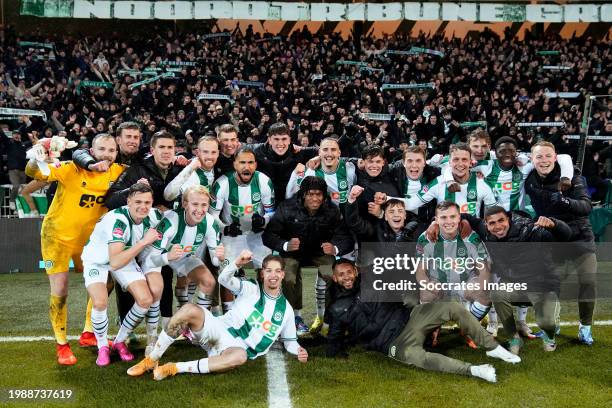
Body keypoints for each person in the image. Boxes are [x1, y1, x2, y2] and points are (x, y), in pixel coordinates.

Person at [326, 259, 520, 383]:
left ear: (356, 272)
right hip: (392, 343)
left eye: (349, 272)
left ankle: (493, 348)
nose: (346, 277)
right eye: (341, 275)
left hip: (411, 319)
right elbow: (334, 337)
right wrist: (335, 354)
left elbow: (401, 278)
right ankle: (475, 371)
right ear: (335, 278)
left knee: (451, 305)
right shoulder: (336, 308)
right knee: (420, 359)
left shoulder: (373, 280)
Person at [127, 250, 308, 380]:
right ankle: (151, 360)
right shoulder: (251, 287)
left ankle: (173, 368)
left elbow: (290, 341)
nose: (273, 275)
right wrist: (236, 263)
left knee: (240, 357)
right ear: (262, 274)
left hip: (235, 348)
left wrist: (299, 350)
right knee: (189, 309)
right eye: (269, 271)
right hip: (218, 329)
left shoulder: (286, 311)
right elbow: (223, 280)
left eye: (277, 271)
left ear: (283, 274)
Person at [25, 133, 125, 365]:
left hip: (90, 243)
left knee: (106, 283)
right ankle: (61, 344)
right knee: (60, 291)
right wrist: (37, 155)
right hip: (56, 239)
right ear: (91, 150)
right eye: (102, 149)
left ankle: (89, 333)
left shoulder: (119, 172)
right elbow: (34, 172)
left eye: (111, 151)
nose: (107, 155)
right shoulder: (70, 168)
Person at [451, 206, 572, 353]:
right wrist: (435, 222)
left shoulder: (529, 231)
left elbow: (565, 237)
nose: (497, 226)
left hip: (541, 284)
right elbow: (466, 217)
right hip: (514, 284)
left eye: (501, 220)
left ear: (508, 219)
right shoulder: (486, 231)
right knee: (496, 293)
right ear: (486, 224)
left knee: (547, 323)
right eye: (492, 223)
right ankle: (514, 337)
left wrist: (555, 224)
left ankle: (549, 335)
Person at [105, 130, 184, 330]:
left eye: (170, 148)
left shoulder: (179, 170)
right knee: (128, 281)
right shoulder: (137, 170)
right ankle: (125, 325)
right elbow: (111, 199)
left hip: (163, 236)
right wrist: (133, 190)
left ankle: (166, 322)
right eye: (162, 147)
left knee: (165, 275)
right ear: (152, 150)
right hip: (135, 234)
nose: (166, 152)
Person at [81, 183, 164, 365]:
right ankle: (102, 346)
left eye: (147, 202)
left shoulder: (154, 215)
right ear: (128, 201)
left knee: (145, 300)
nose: (143, 206)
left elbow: (170, 217)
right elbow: (115, 261)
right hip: (98, 260)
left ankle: (119, 341)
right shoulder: (118, 221)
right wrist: (143, 242)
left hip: (124, 256)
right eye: (138, 202)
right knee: (100, 302)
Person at [525, 141, 597, 346]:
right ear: (532, 159)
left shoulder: (571, 177)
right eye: (539, 156)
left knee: (588, 281)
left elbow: (586, 206)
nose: (544, 160)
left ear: (555, 157)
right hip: (552, 238)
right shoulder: (529, 179)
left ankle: (585, 328)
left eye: (548, 156)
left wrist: (564, 200)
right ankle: (551, 324)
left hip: (579, 237)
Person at [263, 176, 354, 335]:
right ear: (303, 194)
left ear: (324, 196)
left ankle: (328, 320)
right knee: (288, 276)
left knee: (331, 274)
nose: (315, 198)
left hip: (319, 252)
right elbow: (269, 235)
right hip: (292, 253)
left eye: (319, 194)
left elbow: (346, 238)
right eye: (311, 194)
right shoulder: (287, 207)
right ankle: (293, 318)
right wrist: (285, 244)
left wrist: (335, 249)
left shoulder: (332, 210)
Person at [145, 186, 223, 316]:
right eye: (195, 204)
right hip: (158, 256)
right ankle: (152, 335)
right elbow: (149, 261)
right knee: (155, 290)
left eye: (204, 205)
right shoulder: (170, 222)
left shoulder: (210, 223)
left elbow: (215, 262)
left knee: (209, 282)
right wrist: (168, 256)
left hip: (183, 256)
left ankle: (194, 322)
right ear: (185, 204)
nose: (199, 210)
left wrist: (219, 257)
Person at [415, 201, 491, 322]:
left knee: (484, 295)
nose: (449, 221)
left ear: (459, 218)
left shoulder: (471, 237)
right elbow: (420, 271)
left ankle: (470, 325)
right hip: (439, 281)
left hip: (465, 281)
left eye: (453, 216)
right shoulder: (425, 238)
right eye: (443, 217)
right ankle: (433, 328)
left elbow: (484, 269)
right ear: (436, 219)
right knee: (426, 293)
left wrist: (480, 287)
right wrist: (428, 285)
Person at [210, 146, 275, 268]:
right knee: (225, 270)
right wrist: (226, 229)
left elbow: (271, 212)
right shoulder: (222, 184)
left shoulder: (265, 181)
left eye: (250, 162)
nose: (247, 167)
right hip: (232, 236)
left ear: (255, 165)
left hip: (257, 235)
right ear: (235, 164)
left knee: (269, 269)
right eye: (242, 162)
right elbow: (212, 215)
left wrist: (264, 220)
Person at [406, 143, 497, 217]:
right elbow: (411, 204)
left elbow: (491, 216)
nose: (460, 164)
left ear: (470, 163)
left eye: (464, 160)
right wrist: (391, 199)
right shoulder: (438, 183)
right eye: (456, 159)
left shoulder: (483, 183)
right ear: (449, 162)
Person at [251, 122, 318, 204]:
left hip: (290, 205)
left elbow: (323, 150)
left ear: (289, 140)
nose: (280, 143)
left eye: (284, 139)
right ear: (269, 140)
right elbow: (238, 148)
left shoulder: (298, 152)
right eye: (276, 139)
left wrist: (317, 158)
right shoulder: (258, 152)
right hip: (265, 204)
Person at [286, 137, 357, 210]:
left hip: (346, 218)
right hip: (320, 219)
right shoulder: (310, 172)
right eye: (325, 149)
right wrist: (294, 174)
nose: (329, 153)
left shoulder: (350, 169)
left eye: (333, 149)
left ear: (339, 153)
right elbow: (291, 196)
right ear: (319, 152)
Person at [164, 136, 219, 201]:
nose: (210, 156)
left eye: (213, 152)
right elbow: (168, 196)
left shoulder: (218, 167)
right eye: (205, 152)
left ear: (218, 153)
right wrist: (190, 168)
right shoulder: (189, 171)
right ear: (198, 152)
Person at [0, 130, 30, 211]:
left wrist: (33, 137)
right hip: (13, 171)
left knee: (23, 189)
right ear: (12, 136)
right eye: (15, 134)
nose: (17, 136)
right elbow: (3, 136)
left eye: (18, 134)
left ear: (20, 136)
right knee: (16, 186)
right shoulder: (9, 144)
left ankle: (19, 209)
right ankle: (11, 201)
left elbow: (33, 142)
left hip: (23, 171)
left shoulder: (24, 144)